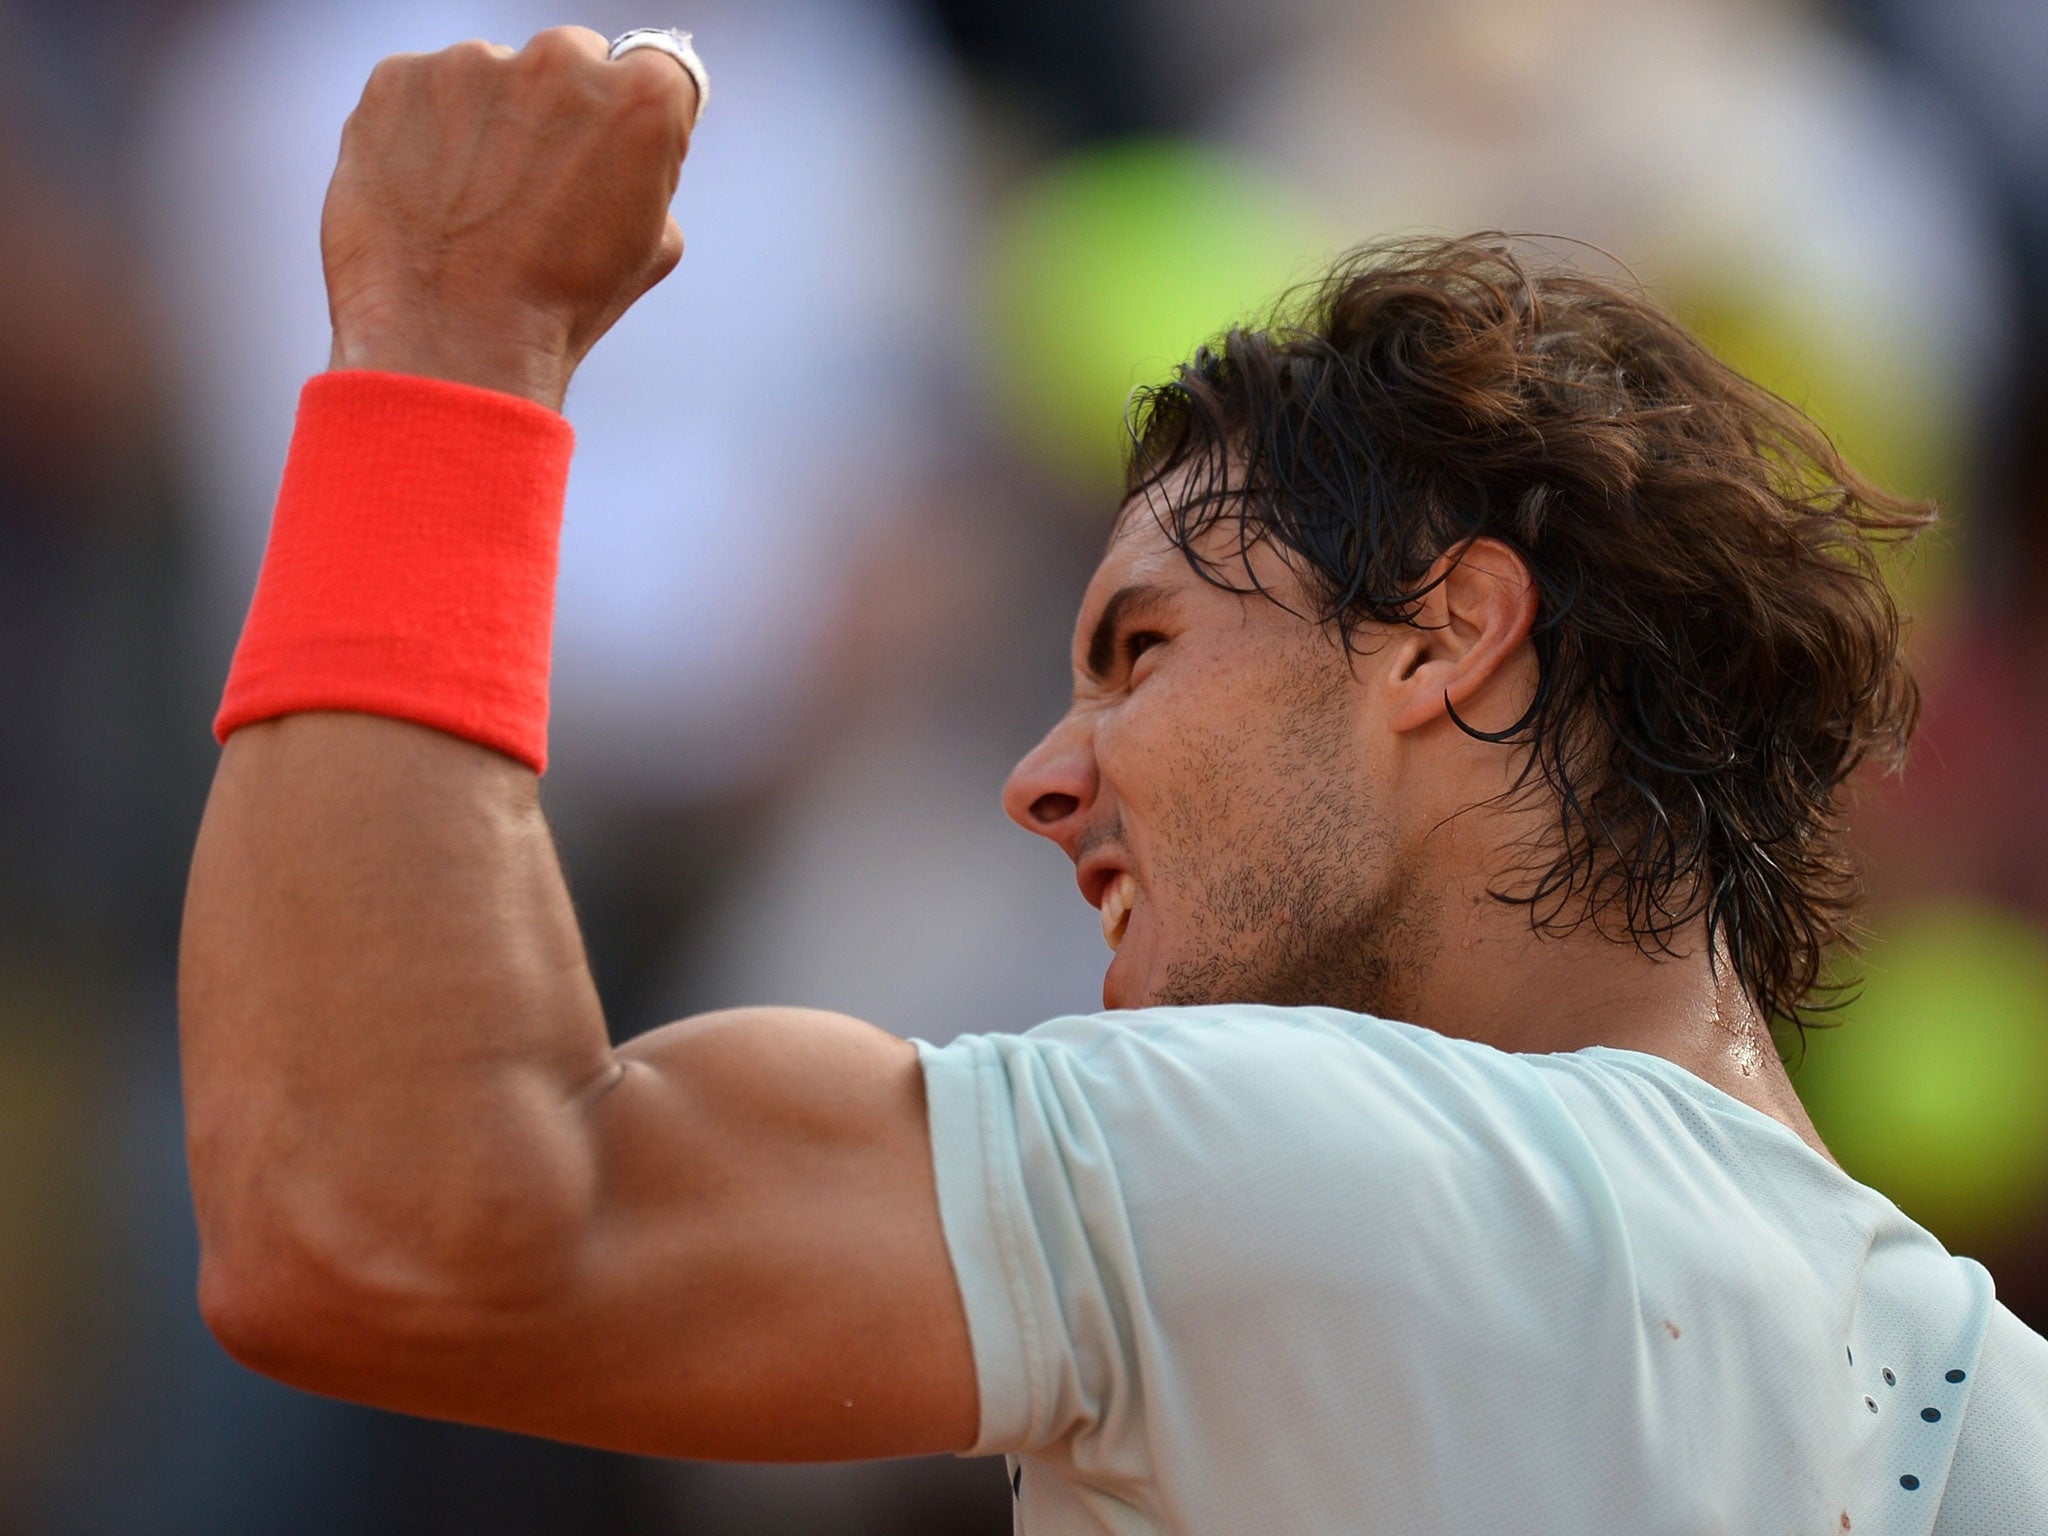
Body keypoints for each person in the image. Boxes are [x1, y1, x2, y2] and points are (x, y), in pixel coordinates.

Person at [178, 26, 2048, 1536]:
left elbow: (387, 1216)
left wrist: (447, 343)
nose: (1042, 782)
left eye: (1140, 650)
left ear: (1444, 640)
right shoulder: (2002, 1418)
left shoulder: (1327, 1162)